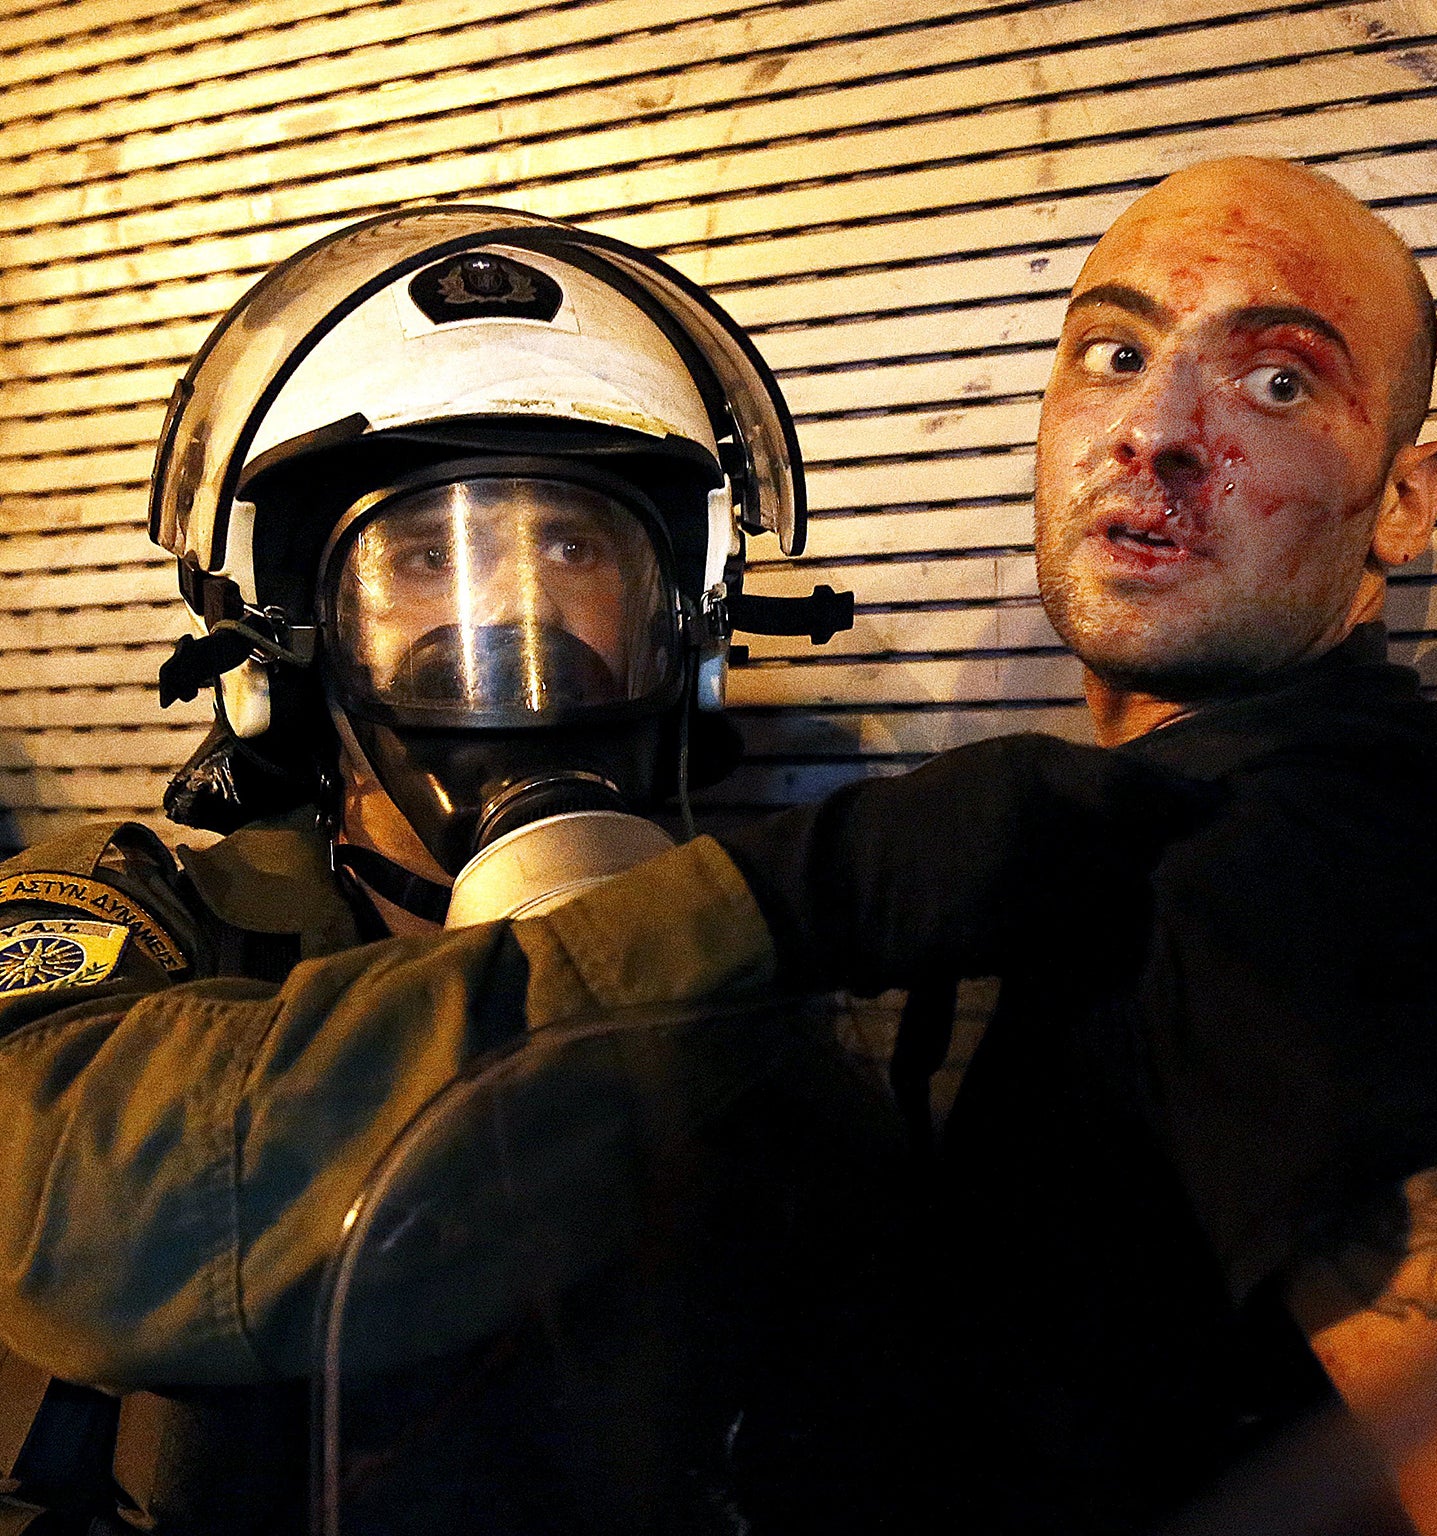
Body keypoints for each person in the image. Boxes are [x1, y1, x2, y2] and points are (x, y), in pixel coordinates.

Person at [0, 208, 1200, 1535]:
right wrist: (775, 909)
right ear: (290, 642)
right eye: (419, 556)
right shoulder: (146, 919)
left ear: (682, 634)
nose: (504, 611)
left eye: (573, 547)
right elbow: (85, 1213)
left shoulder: (758, 1027)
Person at [740, 156, 1437, 1536]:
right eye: (1113, 350)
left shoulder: (1322, 858)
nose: (1155, 428)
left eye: (1277, 381)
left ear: (1402, 500)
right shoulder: (1183, 823)